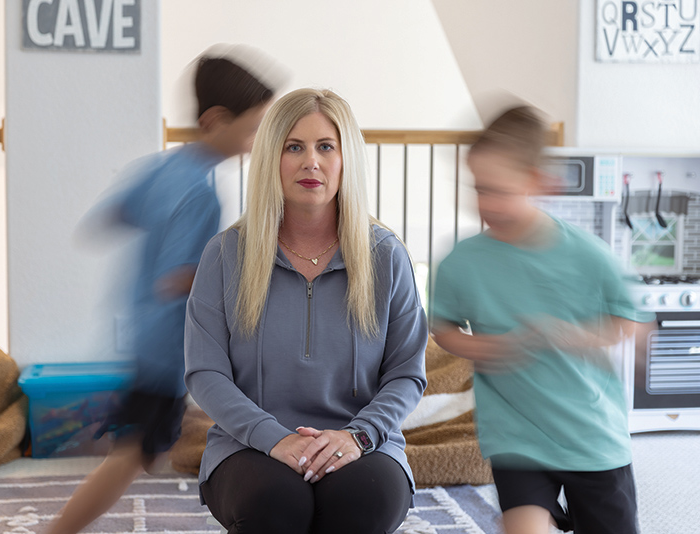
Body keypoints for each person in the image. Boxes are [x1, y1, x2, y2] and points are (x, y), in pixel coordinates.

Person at [47, 45, 282, 534]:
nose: (258, 140)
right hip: (165, 347)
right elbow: (176, 277)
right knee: (133, 453)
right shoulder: (201, 194)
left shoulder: (163, 168)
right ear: (215, 121)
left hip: (140, 333)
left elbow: (113, 215)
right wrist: (243, 271)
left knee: (141, 447)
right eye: (253, 127)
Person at [183, 88, 428, 534]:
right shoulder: (224, 255)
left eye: (326, 147)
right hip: (248, 445)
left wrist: (357, 437)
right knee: (277, 504)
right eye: (293, 147)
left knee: (363, 502)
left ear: (346, 160)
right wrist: (274, 438)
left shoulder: (387, 256)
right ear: (271, 159)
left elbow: (407, 374)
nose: (310, 161)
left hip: (363, 445)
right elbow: (205, 373)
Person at [431, 106, 651, 534]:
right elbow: (443, 330)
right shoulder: (462, 262)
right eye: (480, 188)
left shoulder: (589, 254)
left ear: (537, 182)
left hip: (592, 438)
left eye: (500, 190)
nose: (487, 203)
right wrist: (489, 347)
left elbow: (633, 323)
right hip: (517, 438)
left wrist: (575, 335)